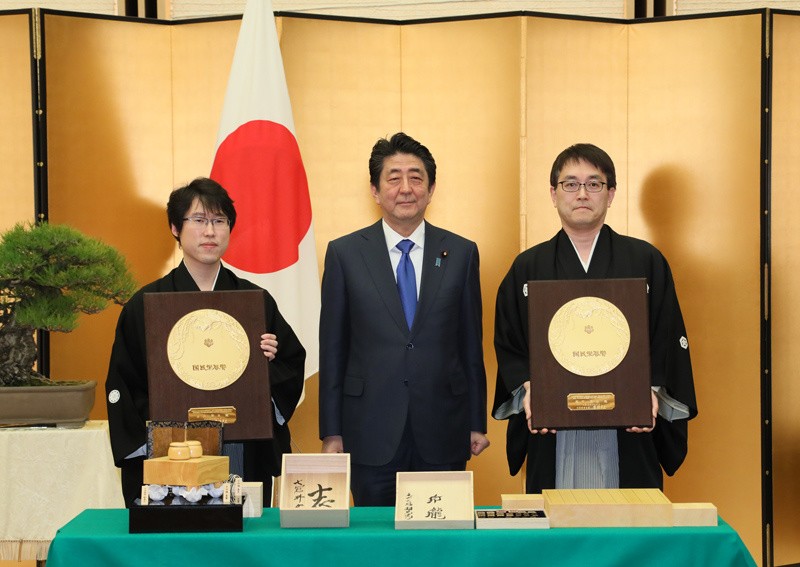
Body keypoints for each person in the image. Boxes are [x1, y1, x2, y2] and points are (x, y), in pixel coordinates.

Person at [493, 143, 697, 494]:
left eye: (594, 183)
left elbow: (666, 336)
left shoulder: (645, 260)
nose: (582, 193)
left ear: (611, 193)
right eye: (570, 184)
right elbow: (510, 341)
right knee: (558, 536)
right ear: (553, 194)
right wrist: (530, 389)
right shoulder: (528, 267)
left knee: (630, 535)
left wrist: (649, 393)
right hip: (554, 430)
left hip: (628, 429)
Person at [105, 177, 305, 506]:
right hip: (171, 452)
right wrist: (157, 440)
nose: (210, 231)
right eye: (198, 220)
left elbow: (290, 362)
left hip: (241, 444)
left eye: (219, 221)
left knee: (241, 547)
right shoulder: (145, 305)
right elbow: (124, 383)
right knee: (178, 549)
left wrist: (265, 364)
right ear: (175, 227)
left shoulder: (254, 303)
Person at [319, 132, 490, 506]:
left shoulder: (460, 252)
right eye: (393, 178)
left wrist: (476, 420)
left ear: (431, 190)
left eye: (416, 177)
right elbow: (332, 349)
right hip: (369, 430)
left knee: (440, 542)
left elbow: (470, 344)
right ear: (375, 191)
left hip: (444, 427)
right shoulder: (345, 254)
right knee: (375, 546)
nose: (406, 188)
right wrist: (331, 430)